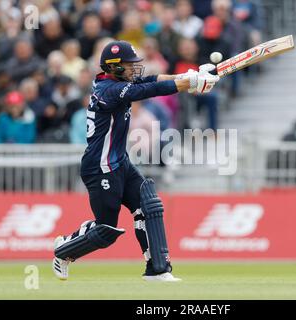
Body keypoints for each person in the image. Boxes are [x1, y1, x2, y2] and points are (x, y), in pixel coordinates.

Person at [52, 40, 219, 281]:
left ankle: (157, 269)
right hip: (100, 168)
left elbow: (152, 80)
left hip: (120, 161)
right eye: (130, 65)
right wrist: (188, 84)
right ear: (114, 67)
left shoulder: (119, 82)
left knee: (149, 205)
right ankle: (64, 250)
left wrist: (188, 75)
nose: (134, 69)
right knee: (106, 231)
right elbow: (147, 91)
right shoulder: (107, 90)